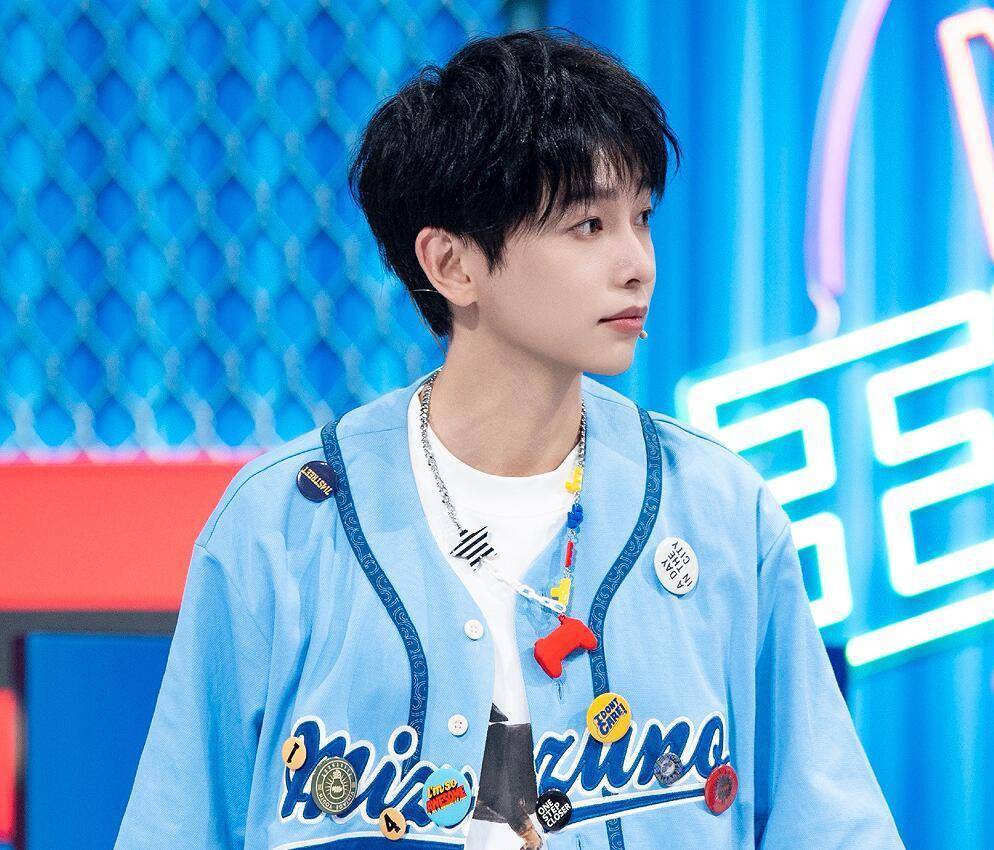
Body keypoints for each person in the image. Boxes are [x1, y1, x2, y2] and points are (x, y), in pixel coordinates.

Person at [114, 26, 905, 850]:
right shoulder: (281, 526)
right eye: (588, 225)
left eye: (641, 218)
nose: (638, 262)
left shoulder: (723, 514)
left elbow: (833, 829)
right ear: (452, 265)